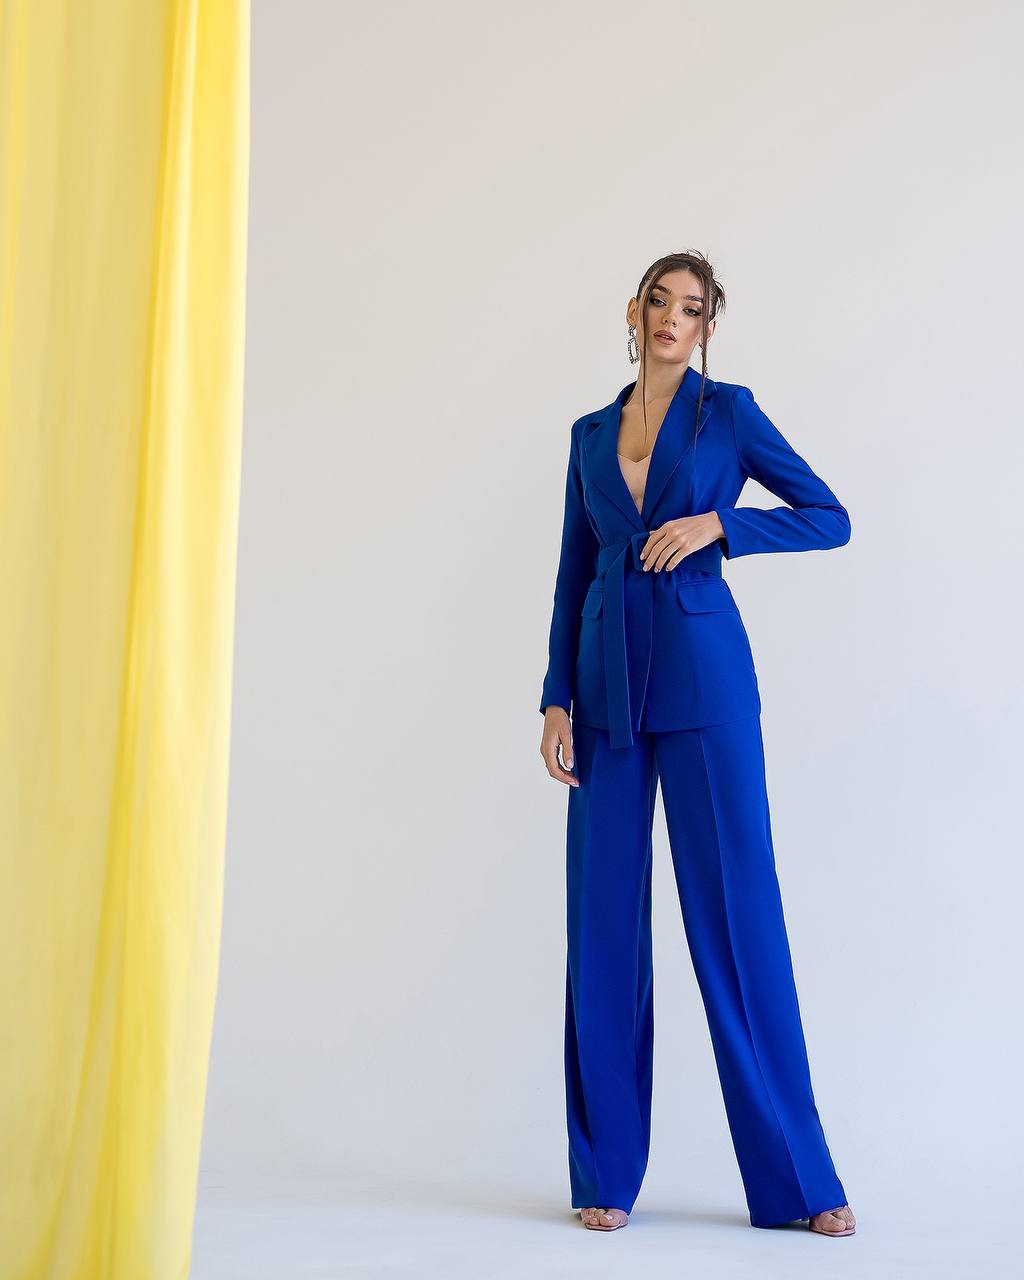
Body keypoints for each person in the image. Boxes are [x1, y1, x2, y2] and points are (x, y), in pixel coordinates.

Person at [538, 250, 856, 1238]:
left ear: (708, 327)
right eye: (660, 302)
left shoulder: (730, 414)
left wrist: (722, 524)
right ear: (630, 312)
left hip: (707, 690)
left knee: (740, 923)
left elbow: (826, 516)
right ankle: (603, 1173)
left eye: (693, 309)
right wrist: (554, 696)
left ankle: (799, 1181)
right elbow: (571, 572)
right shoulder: (591, 434)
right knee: (601, 932)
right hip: (601, 699)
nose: (674, 319)